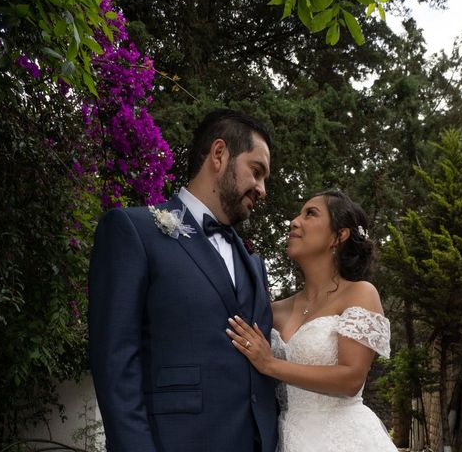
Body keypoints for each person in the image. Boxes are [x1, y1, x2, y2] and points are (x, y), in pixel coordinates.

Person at [88, 109, 278, 452]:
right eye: (257, 171)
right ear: (219, 155)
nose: (262, 189)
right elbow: (115, 364)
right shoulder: (134, 232)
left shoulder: (253, 263)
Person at [227, 190, 397, 451]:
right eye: (298, 213)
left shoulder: (360, 293)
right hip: (286, 439)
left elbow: (351, 379)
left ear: (339, 236)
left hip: (346, 441)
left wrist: (270, 364)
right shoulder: (274, 310)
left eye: (310, 214)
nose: (295, 221)